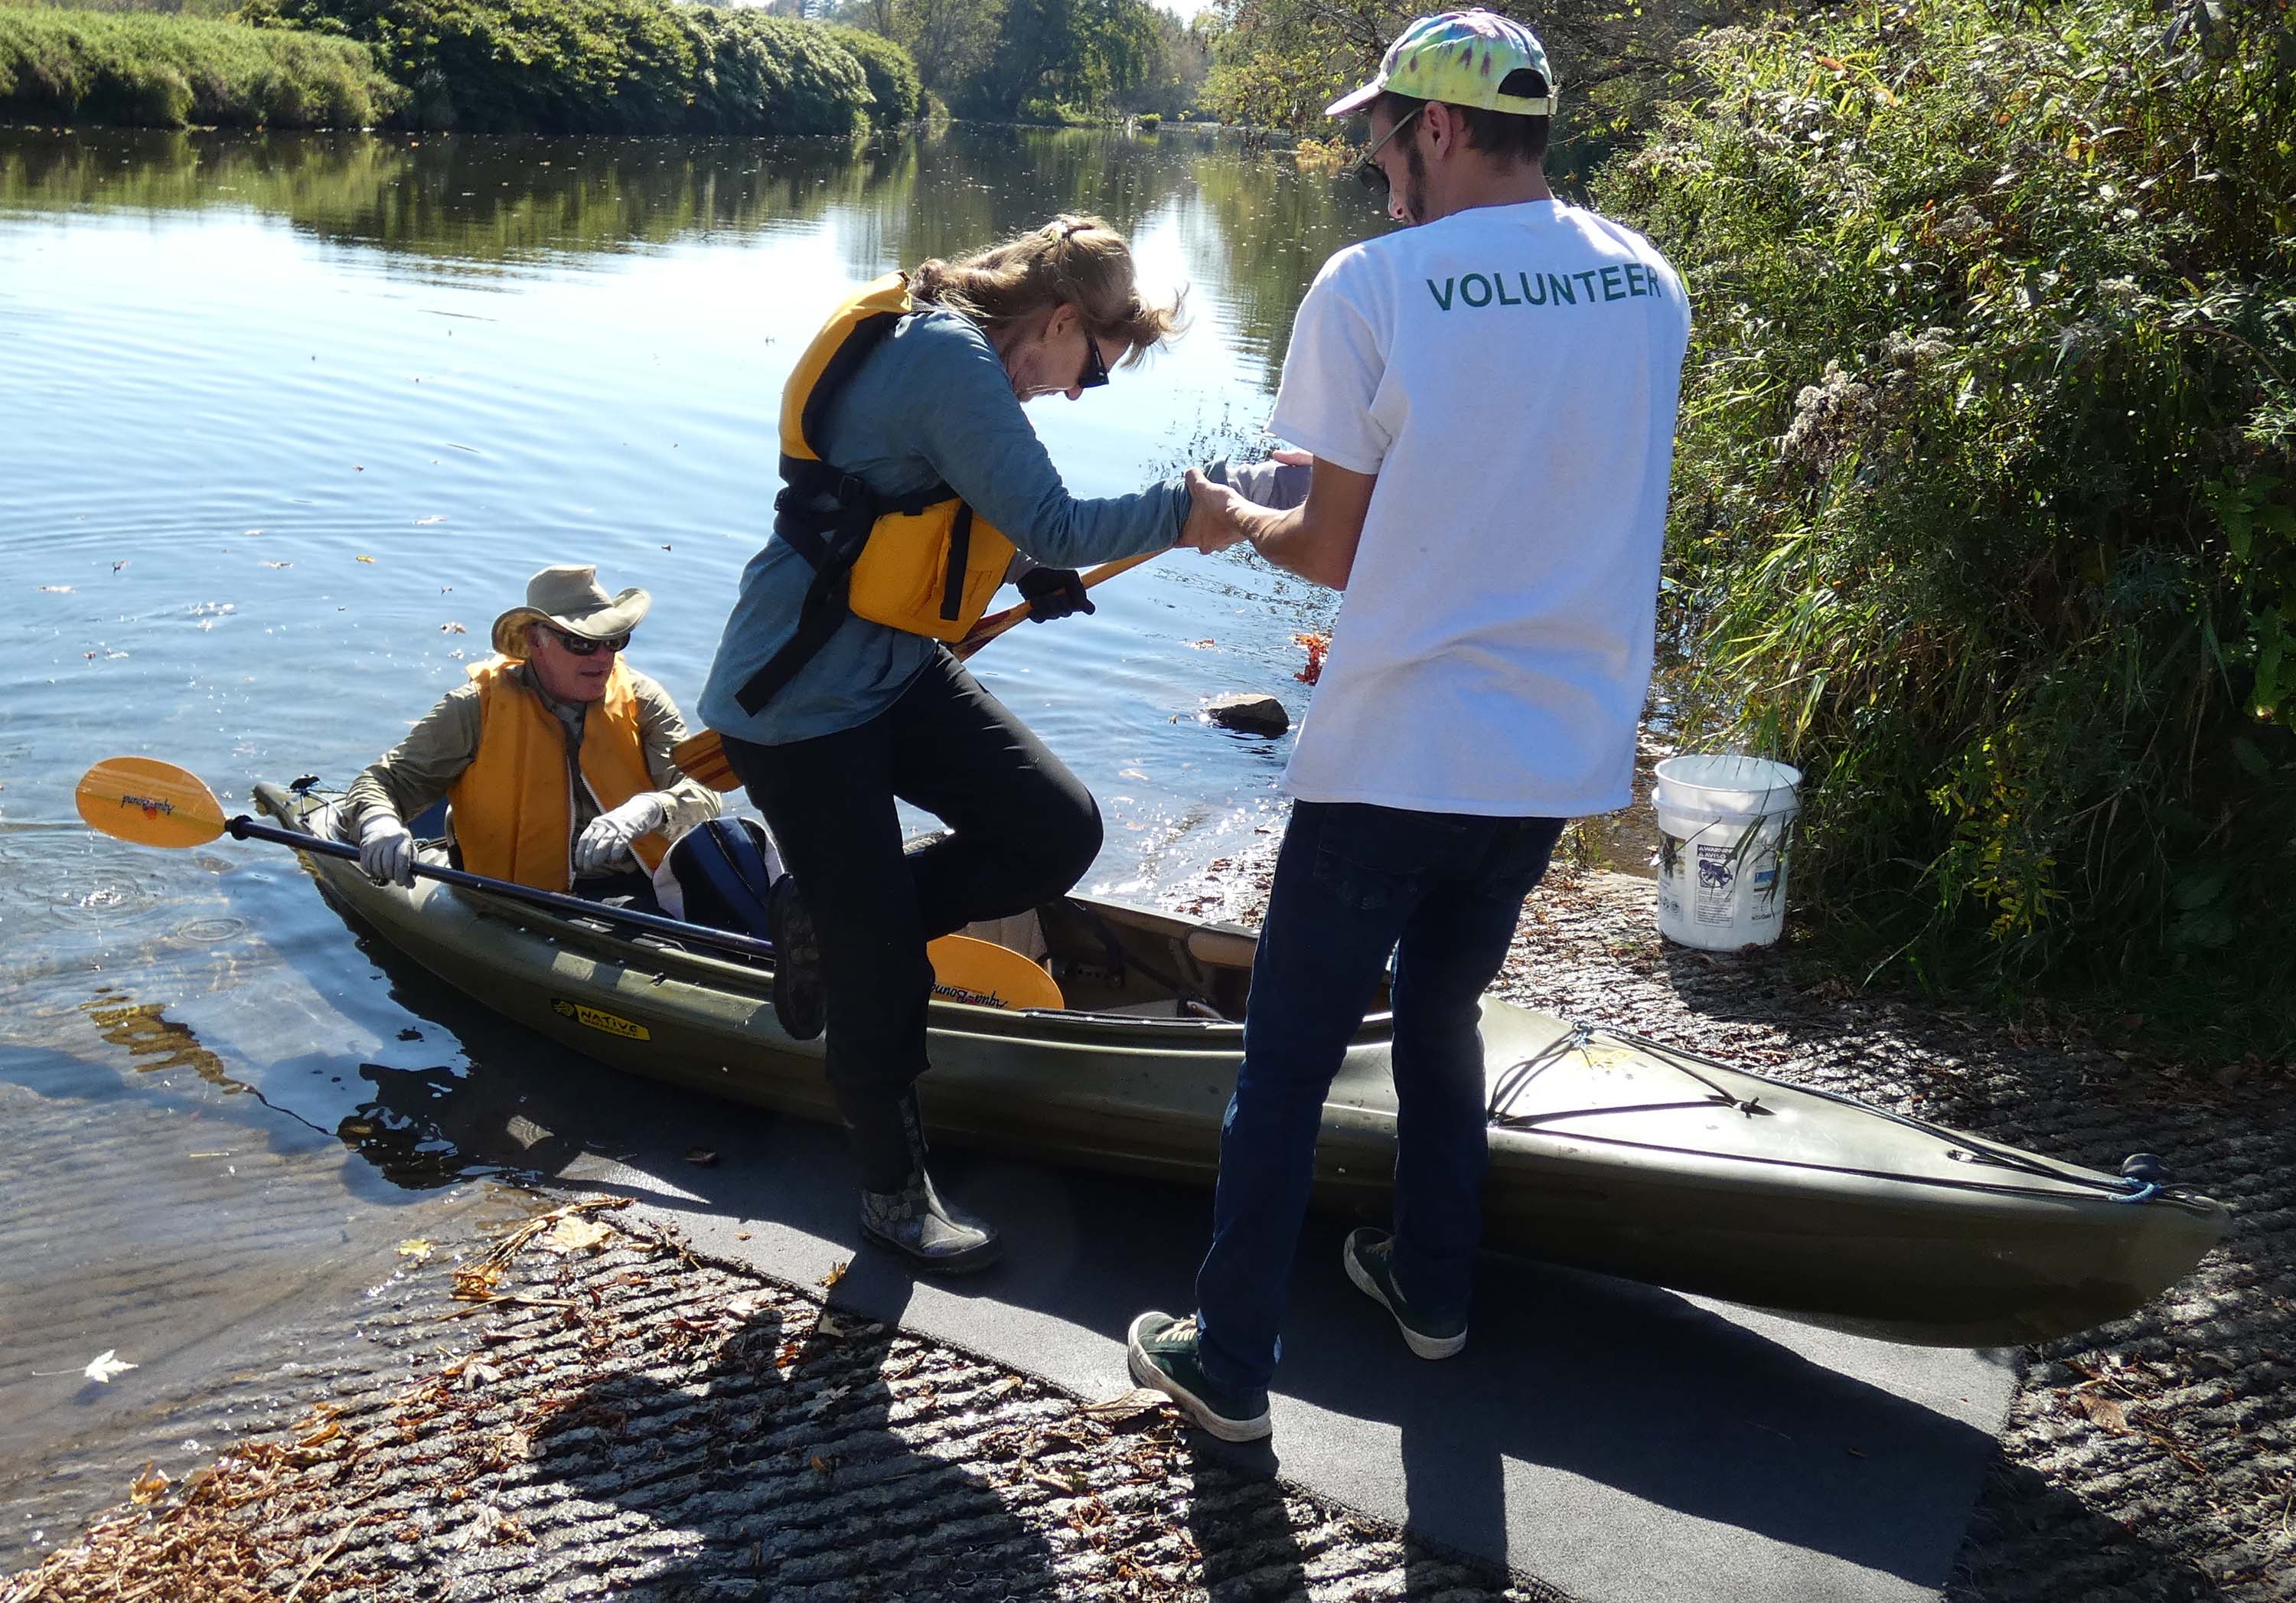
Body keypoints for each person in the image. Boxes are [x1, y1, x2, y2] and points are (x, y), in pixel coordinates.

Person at [1127, 8, 1694, 1440]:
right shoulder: (1646, 279)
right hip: (1553, 750)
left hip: (1398, 751)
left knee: (1288, 1055)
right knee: (1443, 1007)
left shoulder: (1372, 284)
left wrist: (1233, 512)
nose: (1379, 168)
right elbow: (1541, 485)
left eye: (1383, 137)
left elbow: (1327, 544)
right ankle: (1433, 1283)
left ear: (1437, 125)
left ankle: (1227, 1356)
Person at [697, 215, 1231, 1275]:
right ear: (1062, 318)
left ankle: (829, 918)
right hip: (800, 702)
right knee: (883, 961)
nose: (1079, 393)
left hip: (893, 669)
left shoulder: (962, 351)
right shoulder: (945, 356)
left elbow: (941, 498)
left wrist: (1025, 566)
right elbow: (1062, 519)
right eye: (1095, 368)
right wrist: (1183, 510)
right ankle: (894, 1193)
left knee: (1054, 829)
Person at [345, 563, 722, 903]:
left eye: (614, 641)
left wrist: (649, 809)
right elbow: (382, 782)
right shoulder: (475, 708)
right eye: (581, 643)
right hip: (516, 896)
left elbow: (703, 791)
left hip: (643, 883)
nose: (602, 658)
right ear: (535, 640)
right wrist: (379, 823)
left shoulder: (644, 700)